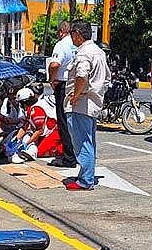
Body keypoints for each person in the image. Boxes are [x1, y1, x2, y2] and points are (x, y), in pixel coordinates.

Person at [64, 20, 111, 191]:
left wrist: (75, 96)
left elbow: (82, 76)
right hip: (93, 103)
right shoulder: (98, 52)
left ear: (77, 34)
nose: (71, 38)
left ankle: (85, 180)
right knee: (88, 142)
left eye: (71, 34)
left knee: (81, 142)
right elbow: (106, 78)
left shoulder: (83, 53)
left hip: (81, 104)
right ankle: (87, 174)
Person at [47, 21, 78, 168]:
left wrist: (51, 80)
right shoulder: (77, 44)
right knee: (74, 122)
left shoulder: (61, 44)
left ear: (61, 32)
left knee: (63, 122)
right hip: (76, 85)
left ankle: (69, 158)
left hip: (63, 85)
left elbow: (54, 64)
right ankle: (76, 154)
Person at [8, 87, 63, 163]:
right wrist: (16, 140)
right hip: (47, 133)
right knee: (31, 139)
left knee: (40, 152)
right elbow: (24, 127)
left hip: (56, 131)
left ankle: (65, 149)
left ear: (24, 102)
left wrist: (26, 144)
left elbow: (39, 130)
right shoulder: (31, 110)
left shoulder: (36, 110)